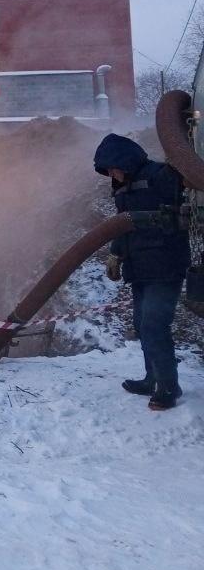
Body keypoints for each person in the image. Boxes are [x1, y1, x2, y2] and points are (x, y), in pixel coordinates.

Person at [94, 133, 190, 411]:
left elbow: (186, 207)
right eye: (107, 170)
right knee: (141, 325)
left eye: (113, 167)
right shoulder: (122, 189)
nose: (111, 173)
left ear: (125, 160)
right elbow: (122, 226)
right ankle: (152, 378)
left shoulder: (162, 175)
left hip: (166, 265)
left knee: (154, 325)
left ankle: (169, 387)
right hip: (139, 268)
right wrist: (116, 254)